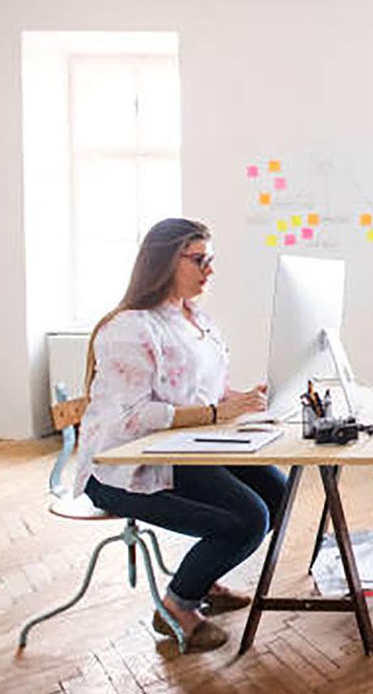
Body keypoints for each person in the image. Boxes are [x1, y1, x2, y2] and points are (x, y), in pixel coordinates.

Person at [74, 218, 285, 652]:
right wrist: (215, 411)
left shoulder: (195, 319)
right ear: (165, 260)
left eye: (211, 259)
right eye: (200, 259)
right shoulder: (129, 328)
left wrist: (240, 399)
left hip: (182, 446)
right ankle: (177, 607)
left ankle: (205, 579)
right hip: (124, 467)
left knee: (279, 494)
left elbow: (203, 391)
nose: (210, 269)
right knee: (248, 519)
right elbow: (132, 418)